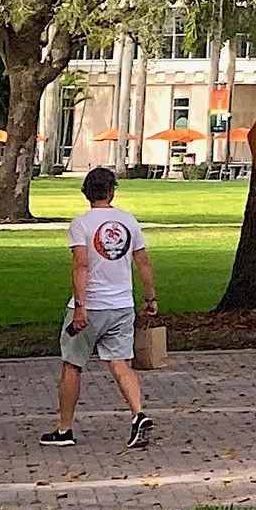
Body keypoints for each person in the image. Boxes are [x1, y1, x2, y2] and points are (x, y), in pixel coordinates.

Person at [41, 167, 157, 449]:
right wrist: (150, 297)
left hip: (90, 306)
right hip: (121, 305)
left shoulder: (81, 224)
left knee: (72, 365)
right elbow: (142, 262)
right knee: (120, 363)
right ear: (112, 191)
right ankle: (137, 413)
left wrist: (80, 306)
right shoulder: (128, 221)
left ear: (86, 193)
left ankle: (64, 429)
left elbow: (81, 264)